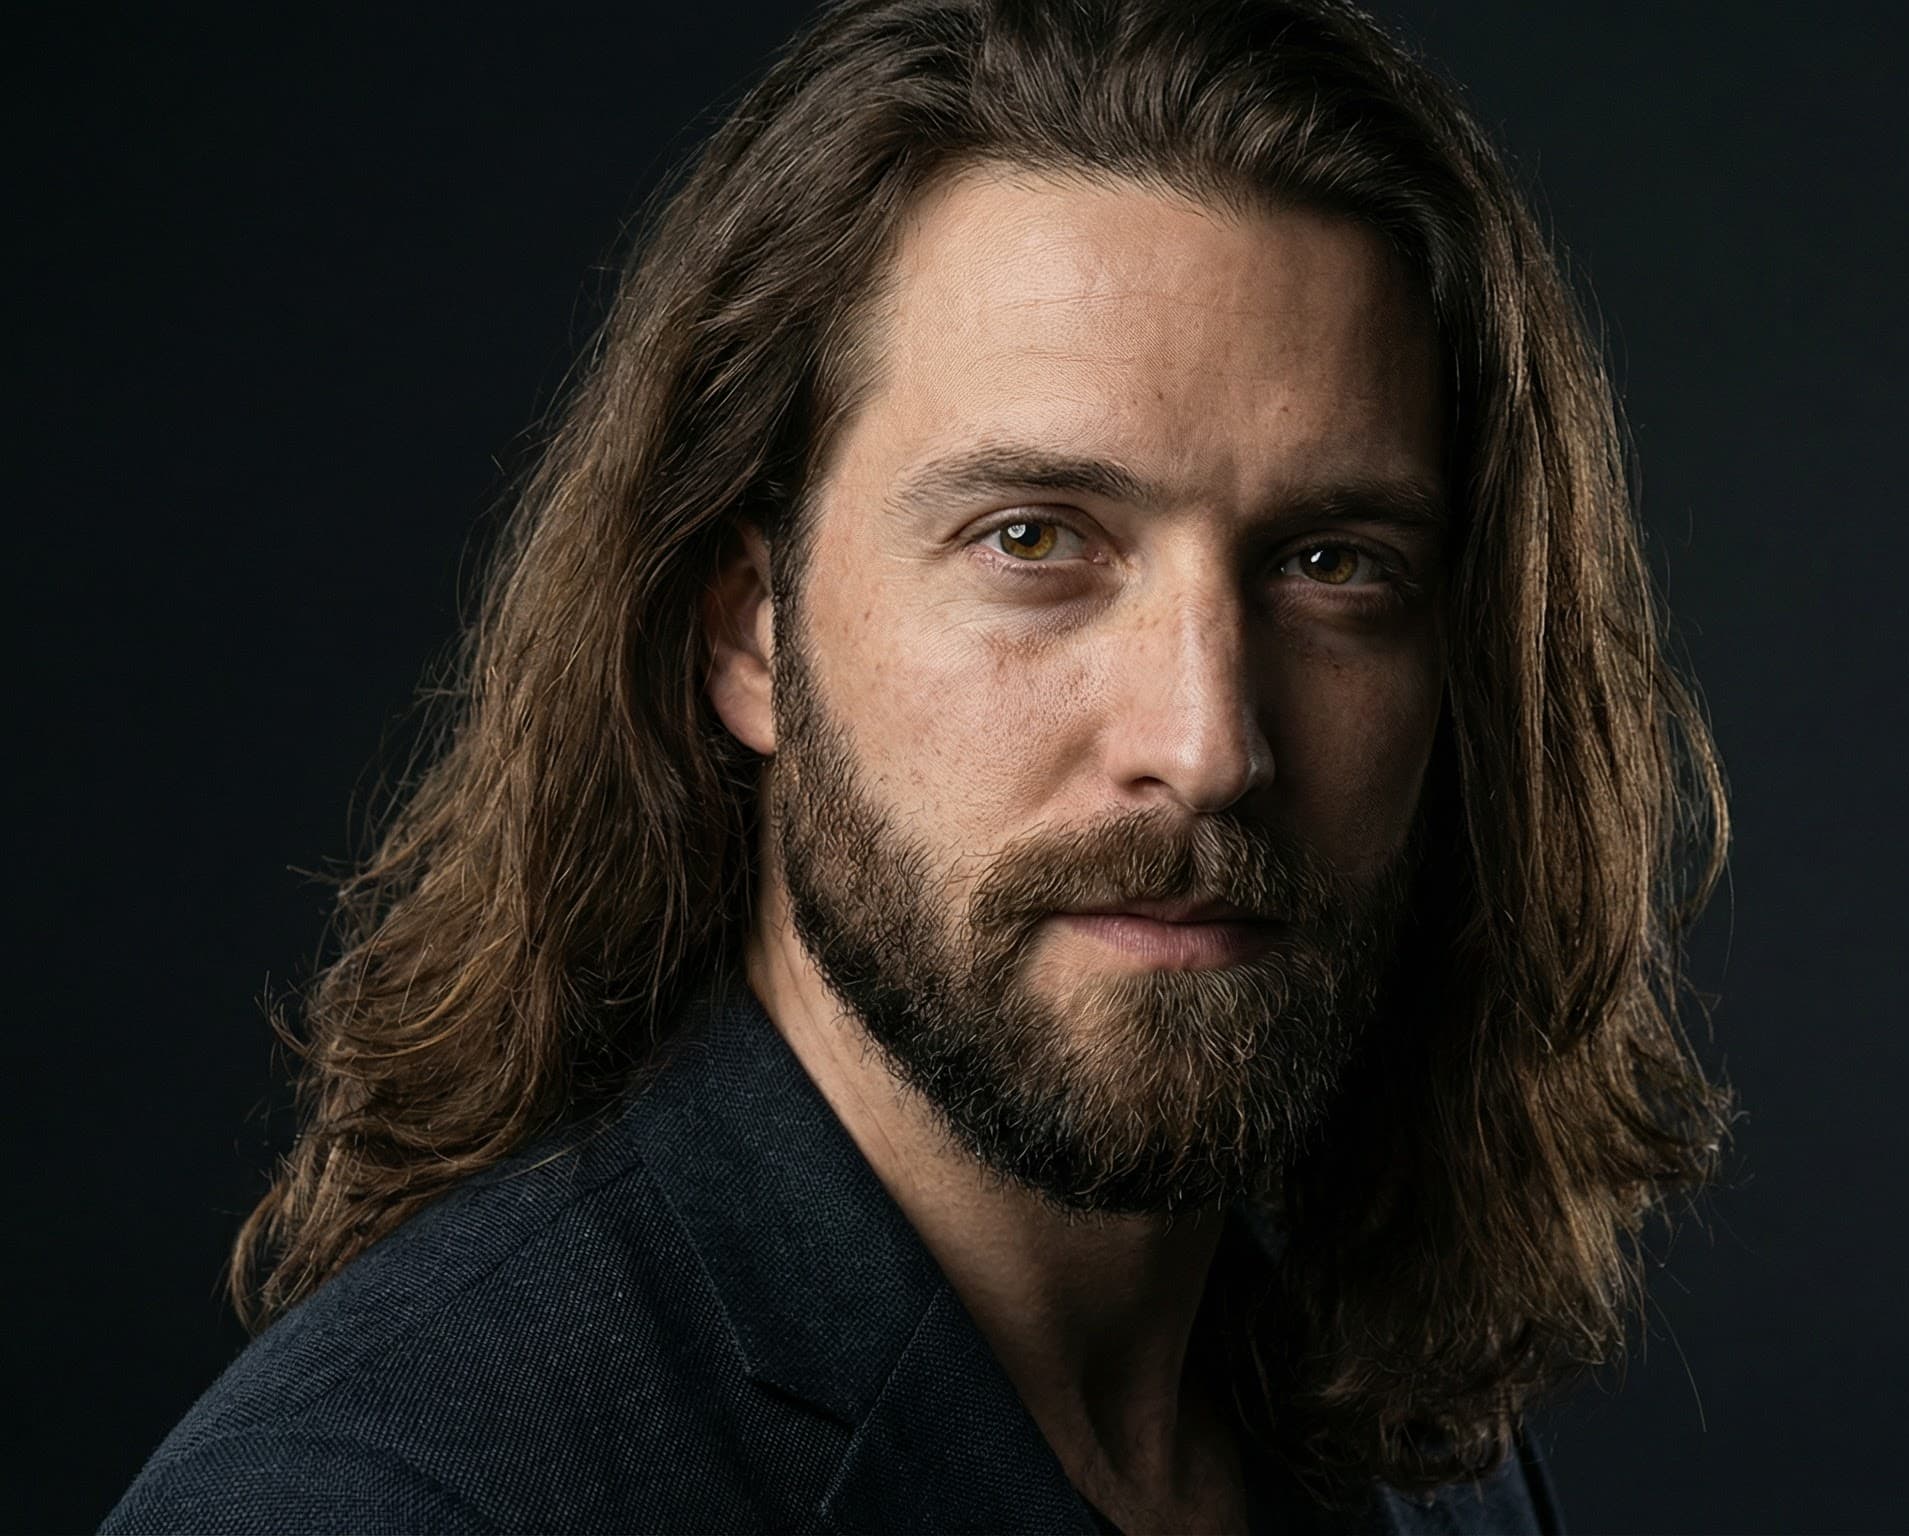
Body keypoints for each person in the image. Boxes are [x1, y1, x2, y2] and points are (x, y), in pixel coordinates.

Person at [104, 0, 1730, 1530]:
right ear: (749, 633)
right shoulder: (394, 1499)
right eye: (1034, 540)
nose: (1209, 744)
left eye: (1332, 564)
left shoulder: (1411, 1454)